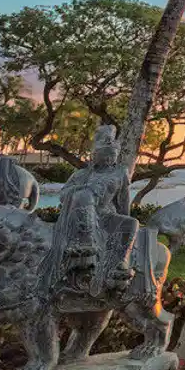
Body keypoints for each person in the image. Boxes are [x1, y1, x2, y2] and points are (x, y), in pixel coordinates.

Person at [43, 124, 136, 300]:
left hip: (106, 215)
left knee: (132, 223)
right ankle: (85, 248)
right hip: (83, 217)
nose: (110, 158)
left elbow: (123, 200)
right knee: (84, 195)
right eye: (105, 154)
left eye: (112, 154)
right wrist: (83, 189)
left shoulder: (120, 173)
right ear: (96, 156)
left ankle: (122, 261)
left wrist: (125, 215)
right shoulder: (81, 175)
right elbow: (63, 195)